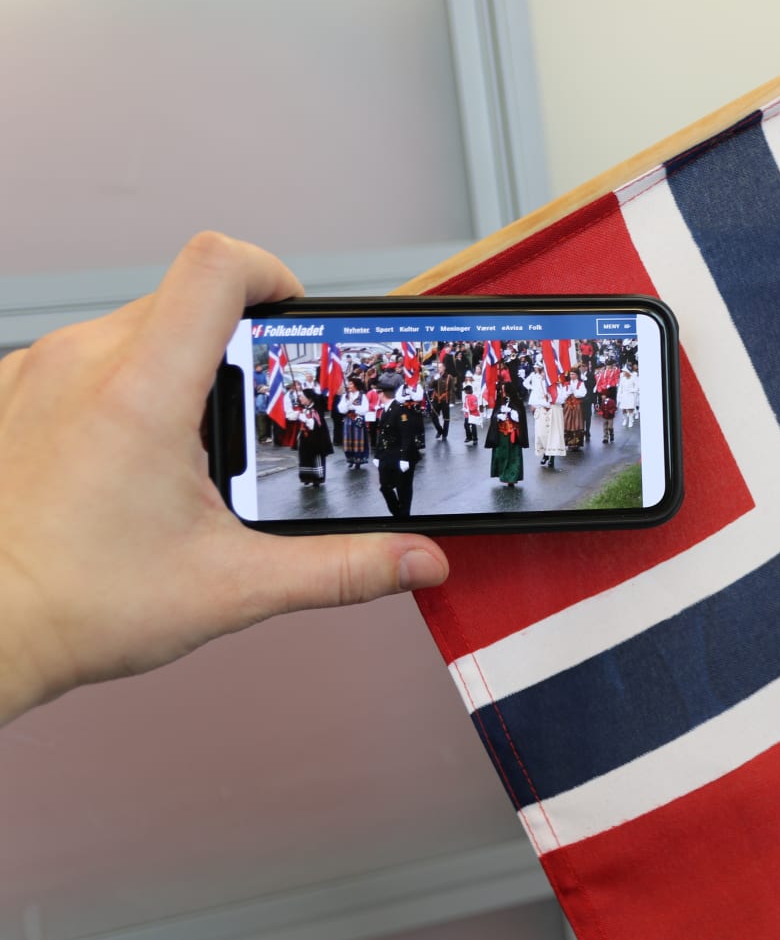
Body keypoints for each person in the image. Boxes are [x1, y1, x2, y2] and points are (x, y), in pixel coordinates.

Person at [0, 232, 448, 727]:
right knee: (375, 484)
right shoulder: (364, 403)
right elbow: (363, 420)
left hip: (394, 457)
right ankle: (391, 503)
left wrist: (25, 602)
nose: (376, 389)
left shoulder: (402, 406)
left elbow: (404, 433)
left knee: (397, 489)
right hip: (373, 451)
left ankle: (403, 509)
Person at [373, 372, 422, 519]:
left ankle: (404, 517)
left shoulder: (400, 410)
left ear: (382, 394)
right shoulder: (385, 410)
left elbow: (407, 435)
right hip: (388, 454)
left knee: (403, 489)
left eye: (378, 392)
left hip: (402, 455)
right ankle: (398, 514)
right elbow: (382, 434)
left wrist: (405, 458)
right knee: (385, 487)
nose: (377, 395)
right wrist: (377, 455)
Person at [292, 387, 333, 485]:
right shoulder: (303, 409)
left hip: (316, 438)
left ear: (309, 399)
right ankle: (307, 477)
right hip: (305, 437)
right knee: (305, 456)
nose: (300, 398)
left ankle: (317, 478)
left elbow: (314, 424)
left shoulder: (316, 410)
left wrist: (305, 419)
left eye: (302, 397)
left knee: (315, 456)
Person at [485, 394, 525, 487]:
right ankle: (503, 475)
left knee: (513, 456)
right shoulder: (499, 402)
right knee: (501, 455)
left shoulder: (517, 402)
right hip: (501, 434)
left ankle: (512, 478)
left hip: (513, 434)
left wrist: (510, 412)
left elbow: (520, 418)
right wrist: (498, 416)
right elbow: (493, 416)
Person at [337, 379, 370, 469]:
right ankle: (350, 459)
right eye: (348, 384)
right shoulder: (345, 396)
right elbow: (340, 409)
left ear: (356, 385)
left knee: (358, 438)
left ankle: (358, 459)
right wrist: (347, 406)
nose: (348, 386)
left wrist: (355, 407)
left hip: (358, 418)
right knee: (348, 438)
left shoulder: (362, 396)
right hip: (348, 419)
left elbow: (365, 409)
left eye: (351, 384)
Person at [561, 369, 586, 451]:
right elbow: (563, 395)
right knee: (567, 423)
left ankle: (576, 444)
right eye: (571, 374)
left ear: (577, 375)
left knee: (577, 424)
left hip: (577, 405)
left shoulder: (581, 383)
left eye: (573, 374)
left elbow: (582, 394)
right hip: (568, 405)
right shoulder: (566, 384)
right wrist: (568, 392)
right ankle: (569, 443)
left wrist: (574, 390)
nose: (572, 376)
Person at [618, 364, 640, 428]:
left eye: (624, 371)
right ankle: (625, 420)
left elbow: (637, 387)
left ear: (628, 372)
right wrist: (619, 396)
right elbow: (620, 388)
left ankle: (630, 421)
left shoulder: (633, 378)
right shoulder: (622, 379)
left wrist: (631, 390)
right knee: (624, 409)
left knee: (630, 408)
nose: (623, 373)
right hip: (624, 395)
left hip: (631, 395)